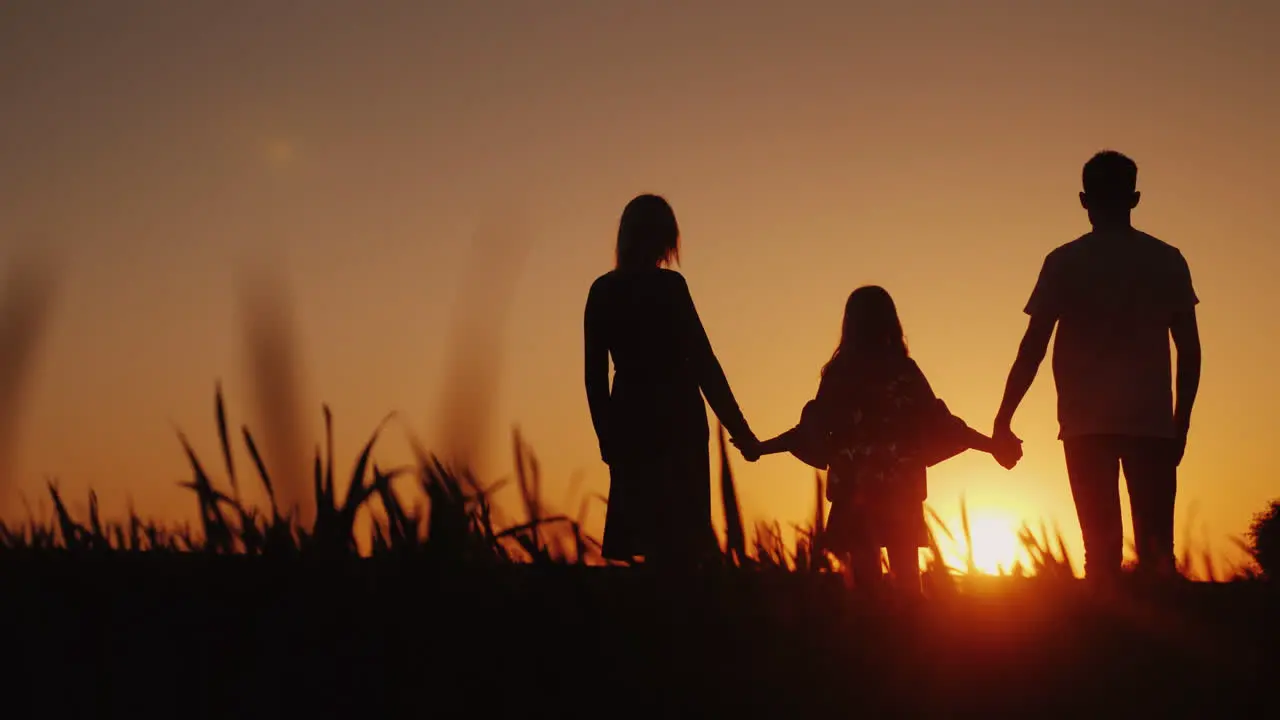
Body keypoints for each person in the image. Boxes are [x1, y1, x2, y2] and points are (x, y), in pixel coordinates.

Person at [992, 150, 1202, 582]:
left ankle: (1101, 641)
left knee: (1100, 556)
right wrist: (1180, 423)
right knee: (1157, 555)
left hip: (1086, 424)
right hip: (1152, 423)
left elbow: (1032, 347)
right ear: (1135, 198)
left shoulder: (1064, 262)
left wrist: (1004, 417)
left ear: (1084, 200)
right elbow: (1191, 350)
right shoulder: (1167, 260)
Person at [738, 286, 1021, 592]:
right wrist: (991, 445)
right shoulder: (903, 372)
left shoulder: (841, 374)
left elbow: (811, 429)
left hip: (854, 496)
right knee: (909, 587)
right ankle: (908, 638)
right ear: (891, 322)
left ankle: (872, 637)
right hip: (901, 494)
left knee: (866, 590)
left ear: (850, 323)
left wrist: (762, 448)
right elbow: (941, 424)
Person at [584, 194, 759, 565]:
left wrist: (606, 433)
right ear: (665, 238)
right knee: (680, 544)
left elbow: (594, 377)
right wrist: (740, 429)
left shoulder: (602, 291)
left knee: (645, 539)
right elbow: (704, 363)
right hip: (678, 419)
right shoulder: (670, 288)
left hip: (630, 417)